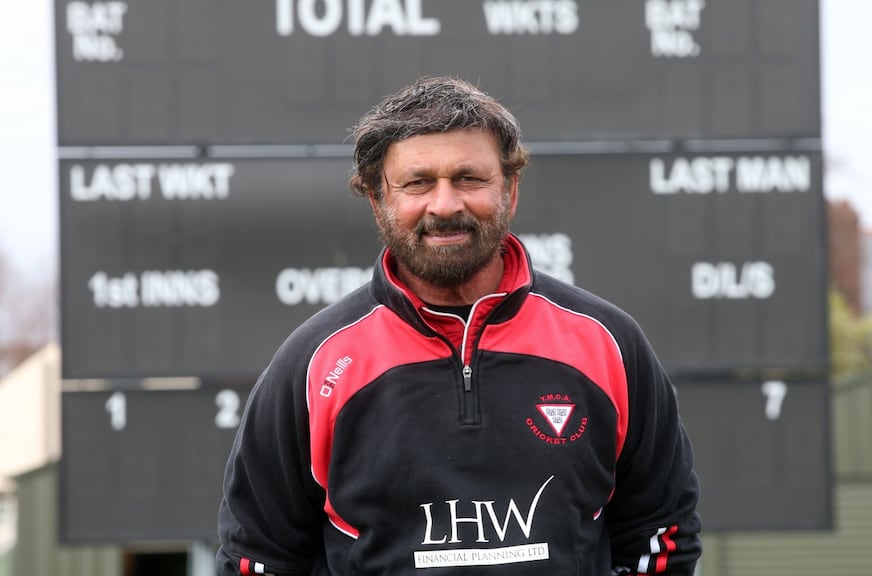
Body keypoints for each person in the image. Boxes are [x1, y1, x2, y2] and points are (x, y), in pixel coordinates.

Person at [216, 76, 702, 575]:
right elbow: (258, 557)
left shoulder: (607, 343)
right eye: (417, 182)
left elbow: (662, 535)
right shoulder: (314, 364)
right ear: (377, 200)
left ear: (510, 190)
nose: (445, 205)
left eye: (469, 178)